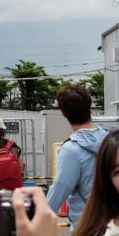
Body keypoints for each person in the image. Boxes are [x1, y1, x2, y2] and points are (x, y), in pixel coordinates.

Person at [46, 84, 108, 224]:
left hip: (86, 225)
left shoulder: (71, 149)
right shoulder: (109, 138)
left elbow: (60, 187)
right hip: (114, 219)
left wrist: (39, 218)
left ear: (64, 113)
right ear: (89, 107)